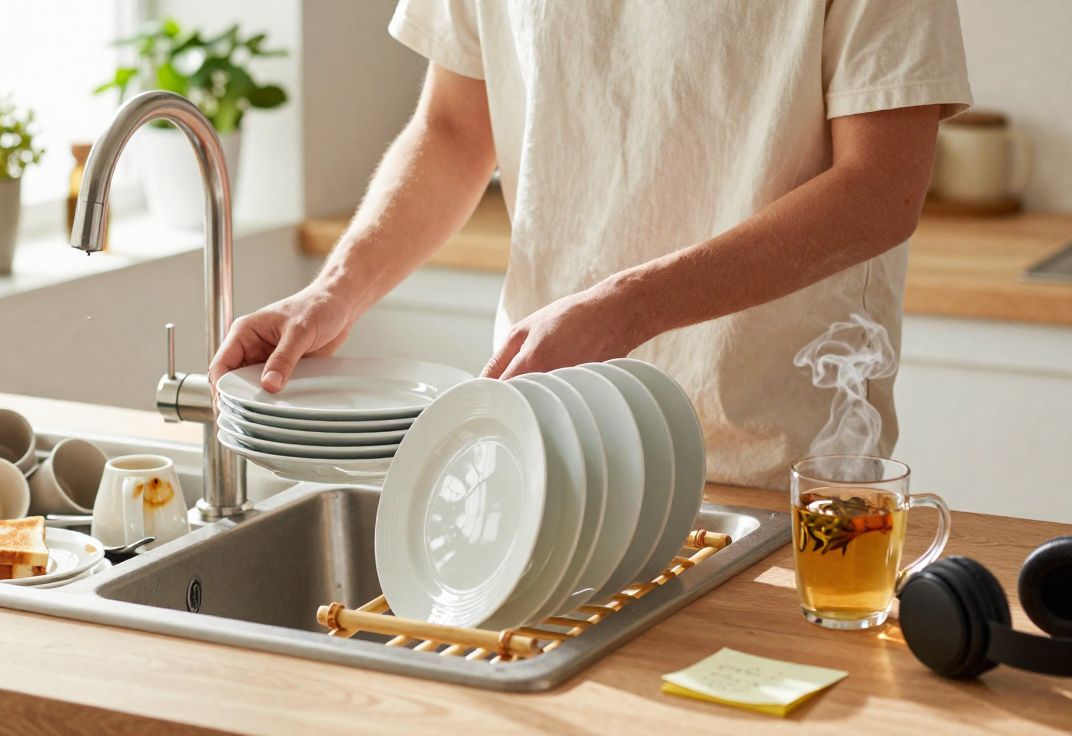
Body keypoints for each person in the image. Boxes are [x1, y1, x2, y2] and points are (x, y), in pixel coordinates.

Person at [210, 1, 972, 490]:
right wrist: (334, 291)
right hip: (547, 443)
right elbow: (453, 129)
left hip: (771, 465)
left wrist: (627, 306)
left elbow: (879, 191)